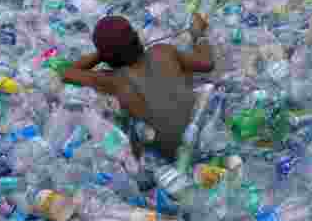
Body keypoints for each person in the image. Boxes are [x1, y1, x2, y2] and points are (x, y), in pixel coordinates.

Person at [62, 12, 215, 160]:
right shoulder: (163, 51)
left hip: (165, 160)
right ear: (136, 37)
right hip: (205, 138)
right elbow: (207, 64)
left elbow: (67, 74)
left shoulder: (111, 81)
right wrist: (199, 34)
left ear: (108, 58)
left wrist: (101, 54)